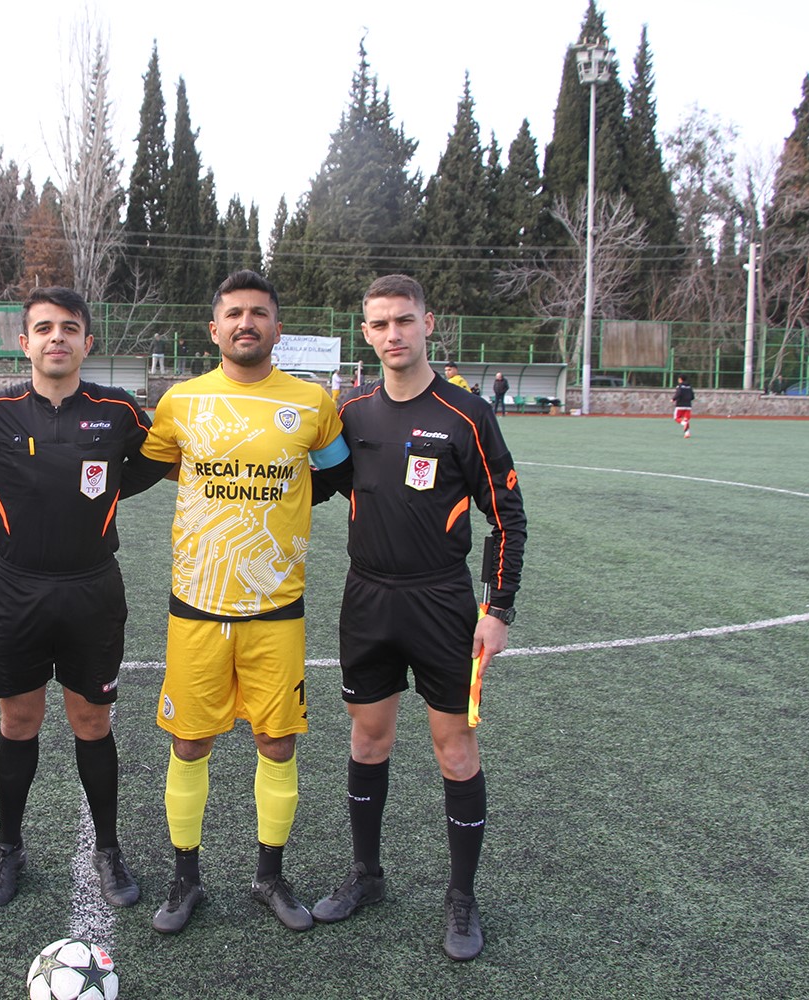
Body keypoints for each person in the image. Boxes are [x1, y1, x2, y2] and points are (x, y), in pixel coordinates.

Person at [310, 274, 525, 962]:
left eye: (404, 320)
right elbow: (317, 486)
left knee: (454, 748)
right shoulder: (351, 412)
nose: (393, 334)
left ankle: (461, 896)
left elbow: (507, 516)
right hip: (367, 599)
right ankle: (366, 876)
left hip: (441, 602)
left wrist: (498, 609)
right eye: (379, 324)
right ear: (365, 334)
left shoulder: (466, 414)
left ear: (429, 323)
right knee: (368, 739)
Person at [140, 270, 351, 935]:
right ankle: (185, 879)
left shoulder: (313, 402)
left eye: (258, 313)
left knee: (277, 741)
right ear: (215, 329)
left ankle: (269, 876)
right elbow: (159, 464)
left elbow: (338, 474)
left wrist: (286, 503)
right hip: (197, 604)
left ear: (277, 328)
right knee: (189, 741)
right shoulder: (182, 401)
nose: (246, 323)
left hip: (276, 608)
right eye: (233, 313)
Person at [0, 287, 170, 912]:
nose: (58, 337)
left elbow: (153, 462)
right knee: (18, 722)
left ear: (87, 342)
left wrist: (105, 494)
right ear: (24, 342)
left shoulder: (119, 410)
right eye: (45, 328)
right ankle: (9, 848)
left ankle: (107, 848)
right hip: (15, 589)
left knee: (93, 722)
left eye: (70, 328)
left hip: (91, 590)